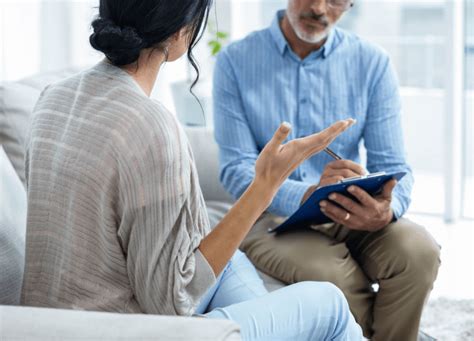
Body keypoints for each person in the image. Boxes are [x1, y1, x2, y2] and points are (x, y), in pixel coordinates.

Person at [20, 0, 363, 340]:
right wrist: (265, 185)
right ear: (182, 30)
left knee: (232, 263)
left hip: (49, 324)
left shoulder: (53, 97)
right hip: (127, 331)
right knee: (329, 303)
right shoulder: (150, 126)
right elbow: (171, 305)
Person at [213, 0, 440, 340]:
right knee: (330, 275)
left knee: (419, 251)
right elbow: (236, 169)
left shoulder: (372, 63)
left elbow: (393, 164)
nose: (319, 7)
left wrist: (386, 210)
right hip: (270, 219)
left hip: (351, 211)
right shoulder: (234, 60)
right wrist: (305, 194)